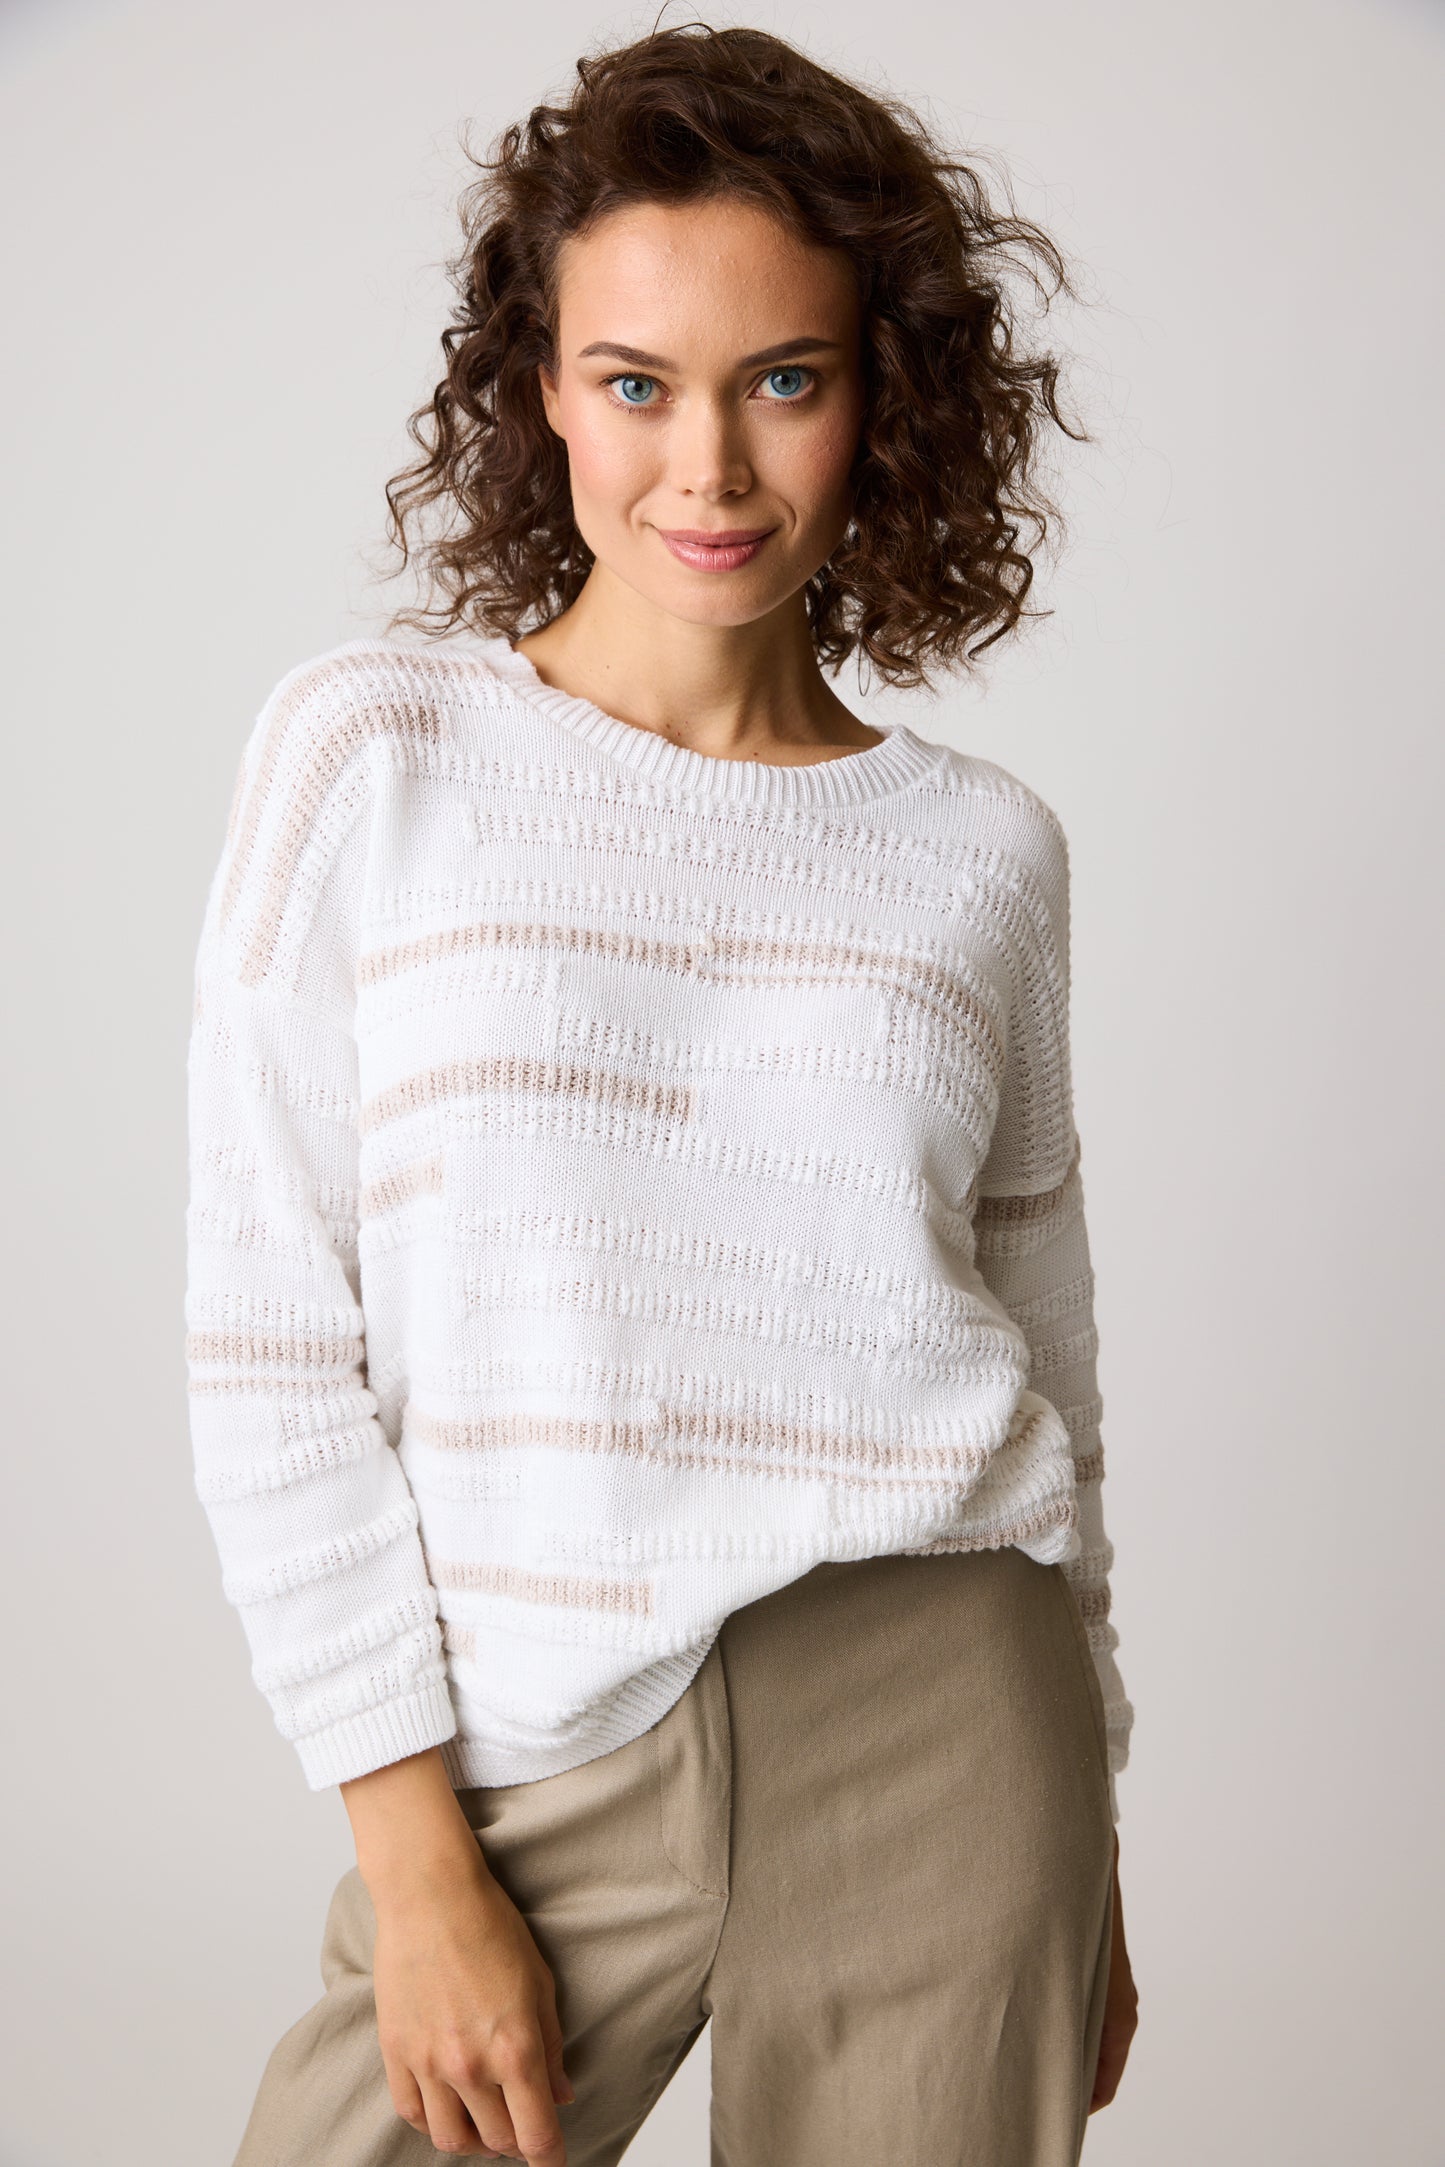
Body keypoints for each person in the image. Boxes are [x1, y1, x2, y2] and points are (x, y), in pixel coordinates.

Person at [185, 23, 1138, 2165]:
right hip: (535, 1741)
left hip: (952, 1714)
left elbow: (1051, 1360)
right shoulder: (372, 757)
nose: (706, 467)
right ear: (540, 387)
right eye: (637, 382)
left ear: (882, 395)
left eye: (783, 379)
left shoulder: (982, 851)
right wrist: (417, 1855)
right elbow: (268, 1342)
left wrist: (1095, 1826)